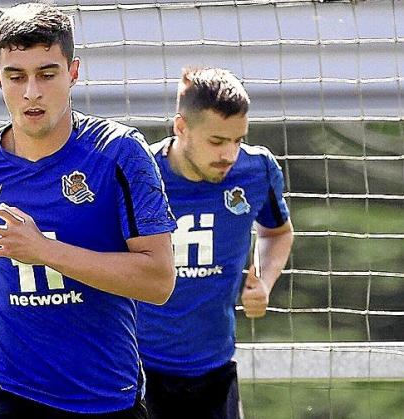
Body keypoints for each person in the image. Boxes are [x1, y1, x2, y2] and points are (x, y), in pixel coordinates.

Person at [0, 3, 177, 418]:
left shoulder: (119, 153)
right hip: (4, 389)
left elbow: (159, 280)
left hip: (104, 394)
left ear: (73, 72)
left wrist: (41, 249)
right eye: (16, 76)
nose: (31, 93)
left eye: (46, 74)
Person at [137, 67, 294, 419]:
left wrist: (264, 283)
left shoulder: (256, 171)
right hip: (138, 369)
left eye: (238, 140)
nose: (229, 154)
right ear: (181, 127)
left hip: (215, 368)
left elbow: (278, 232)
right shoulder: (139, 174)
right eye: (217, 141)